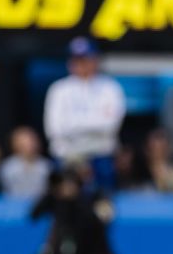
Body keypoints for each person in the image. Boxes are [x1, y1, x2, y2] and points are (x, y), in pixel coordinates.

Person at [44, 37, 127, 192]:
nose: (80, 65)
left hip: (101, 160)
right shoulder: (59, 89)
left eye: (85, 59)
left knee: (102, 209)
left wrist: (74, 125)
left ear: (95, 60)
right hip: (66, 159)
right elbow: (55, 129)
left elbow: (109, 126)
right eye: (76, 60)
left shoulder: (110, 88)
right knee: (65, 207)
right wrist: (93, 126)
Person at [0, 126, 53, 200]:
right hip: (14, 206)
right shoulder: (8, 167)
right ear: (16, 144)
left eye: (32, 141)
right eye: (26, 143)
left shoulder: (47, 166)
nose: (30, 145)